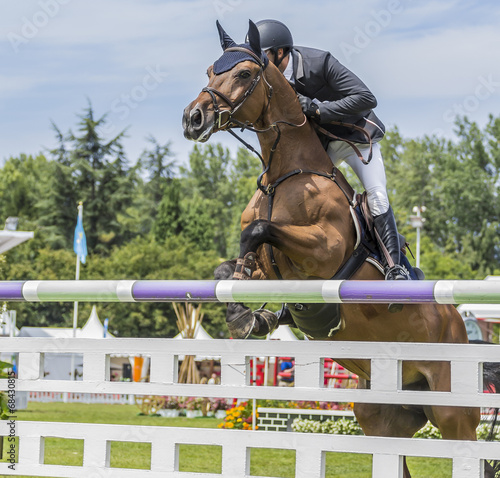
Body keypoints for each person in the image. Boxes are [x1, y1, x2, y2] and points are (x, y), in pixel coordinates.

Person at [251, 20, 410, 283]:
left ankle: (394, 267)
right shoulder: (268, 81)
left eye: (263, 56)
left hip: (355, 138)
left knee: (377, 196)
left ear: (280, 53)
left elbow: (365, 97)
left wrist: (317, 109)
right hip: (320, 149)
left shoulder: (319, 62)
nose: (260, 64)